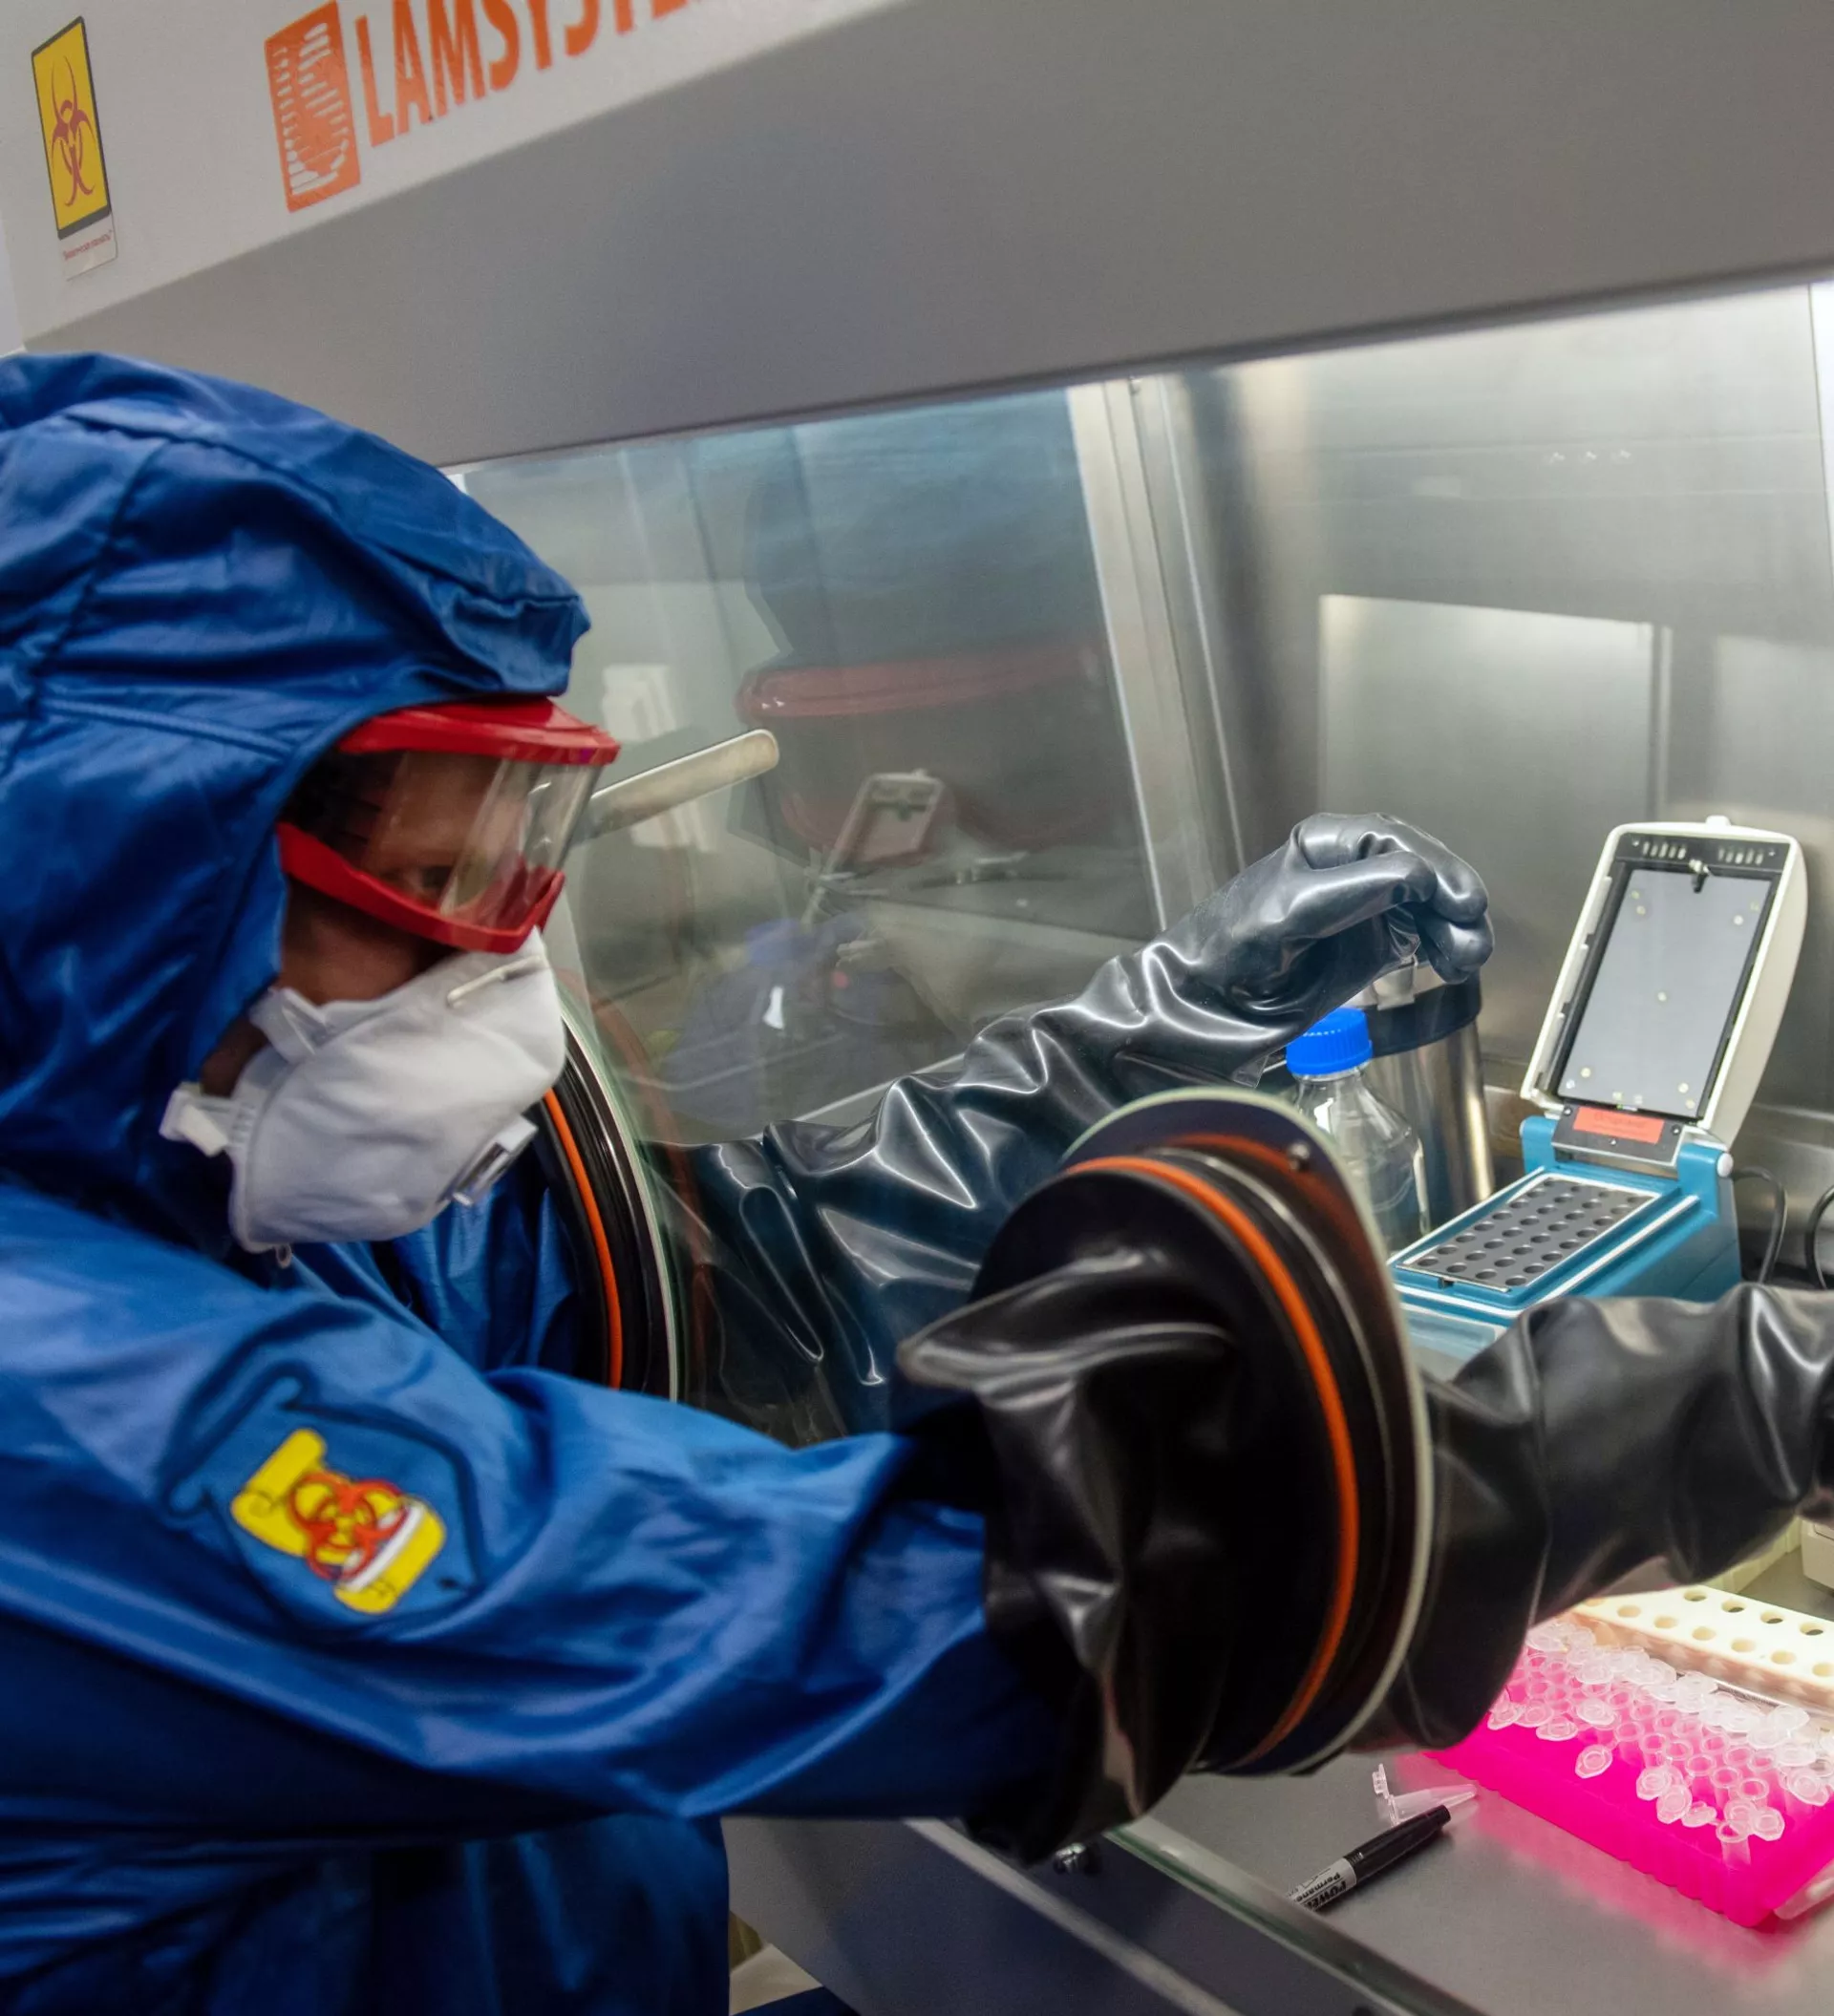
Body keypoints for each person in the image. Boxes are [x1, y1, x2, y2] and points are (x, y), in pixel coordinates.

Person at [6, 355, 1834, 2016]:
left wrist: (1145, 1027)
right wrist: (1721, 1400)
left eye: (518, 857)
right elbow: (974, 1617)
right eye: (431, 877)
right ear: (117, 870)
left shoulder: (191, 1187)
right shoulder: (77, 1418)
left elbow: (715, 1290)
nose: (498, 965)